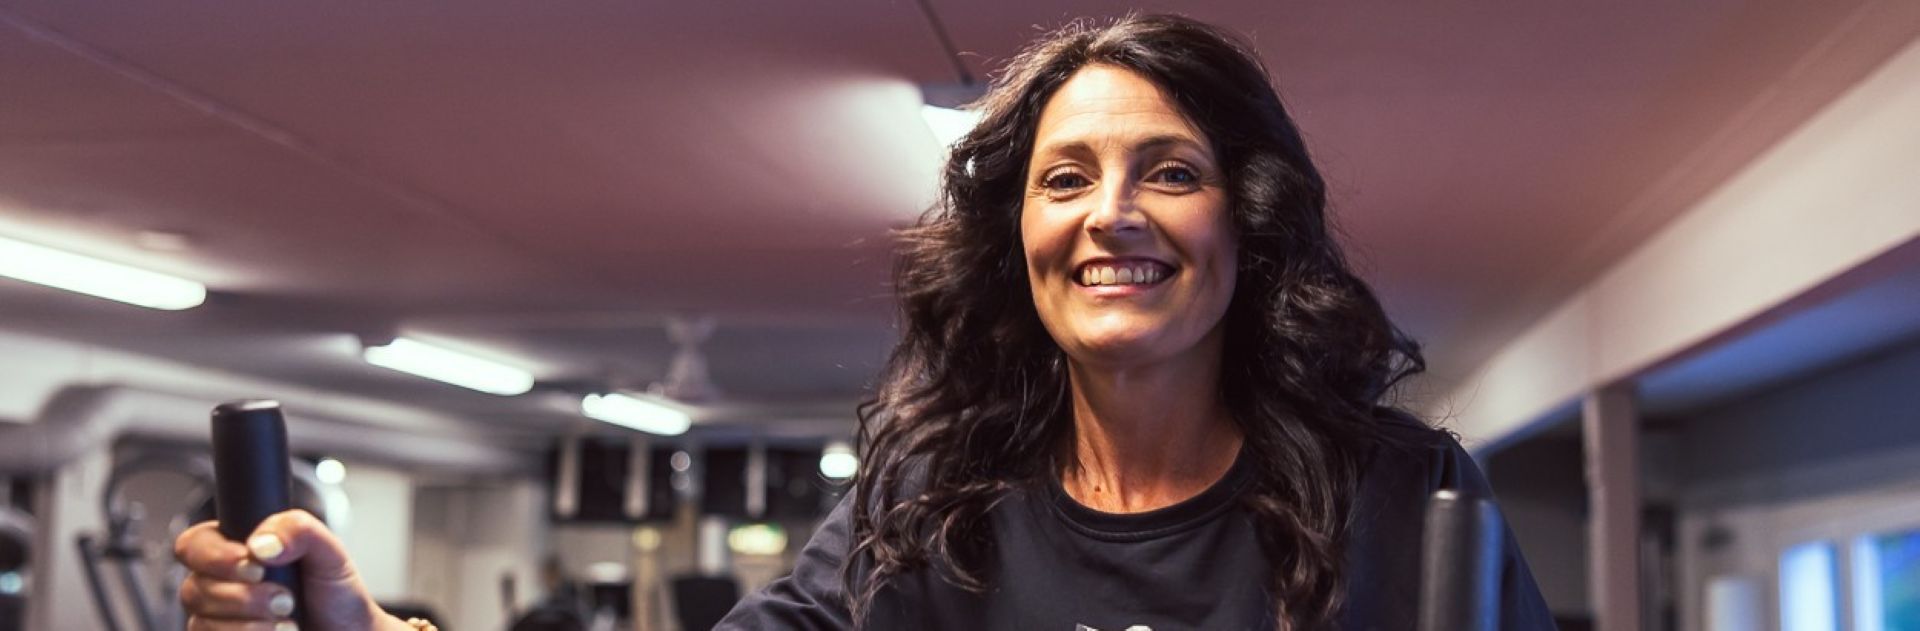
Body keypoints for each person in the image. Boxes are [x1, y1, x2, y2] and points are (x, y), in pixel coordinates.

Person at [173, 13, 1553, 631]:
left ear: (1246, 222)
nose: (1112, 215)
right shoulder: (932, 501)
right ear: (1018, 239)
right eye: (1065, 179)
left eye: (1171, 173)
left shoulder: (1403, 493)